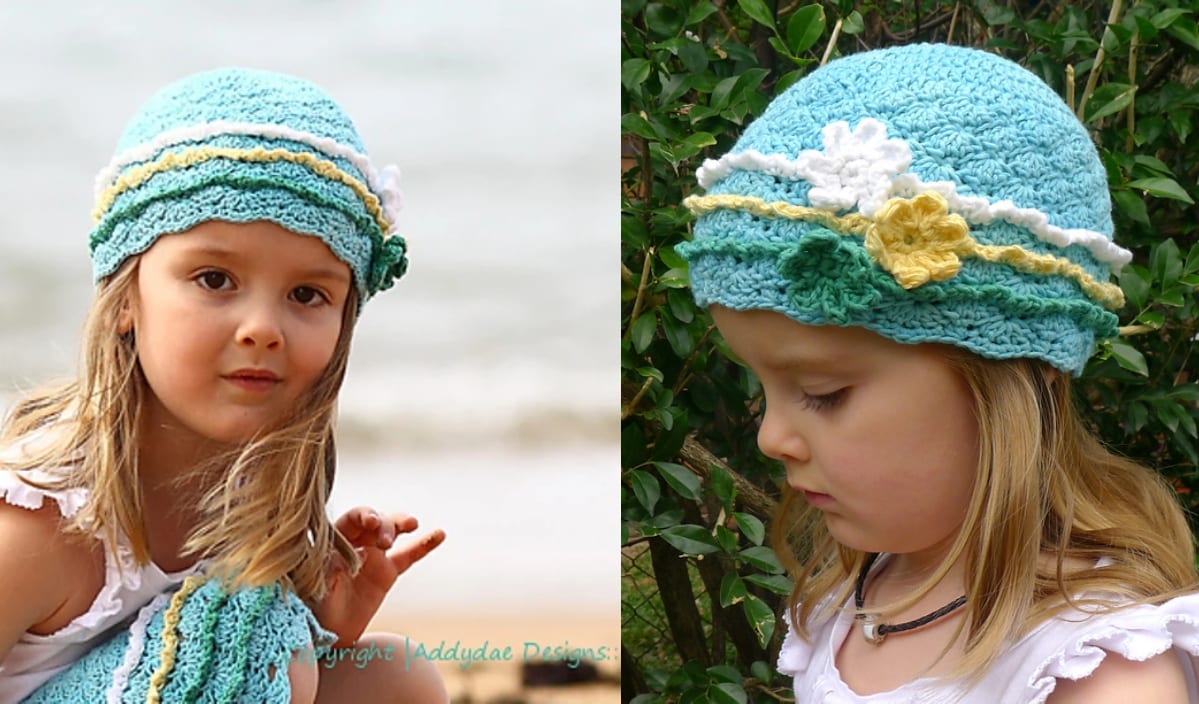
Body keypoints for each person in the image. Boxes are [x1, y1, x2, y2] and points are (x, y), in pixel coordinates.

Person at [679, 43, 1199, 703]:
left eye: (821, 394)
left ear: (1014, 372)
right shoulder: (867, 585)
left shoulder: (1097, 673)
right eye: (763, 387)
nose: (770, 437)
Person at [0, 68, 448, 702]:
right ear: (127, 296)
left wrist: (320, 620)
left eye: (306, 294)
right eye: (215, 279)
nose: (263, 328)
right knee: (258, 638)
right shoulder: (42, 522)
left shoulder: (250, 482)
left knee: (393, 675)